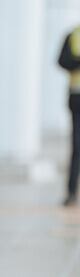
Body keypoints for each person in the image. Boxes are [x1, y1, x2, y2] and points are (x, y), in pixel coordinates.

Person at [58, 25, 80, 206]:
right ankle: (71, 192)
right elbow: (62, 60)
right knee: (77, 146)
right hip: (77, 97)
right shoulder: (73, 35)